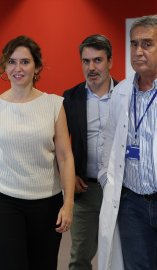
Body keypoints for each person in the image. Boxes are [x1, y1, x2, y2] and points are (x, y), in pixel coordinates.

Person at [0, 35, 75, 270]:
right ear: (4, 67)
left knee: (44, 265)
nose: (18, 68)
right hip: (3, 200)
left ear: (37, 66)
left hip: (47, 203)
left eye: (25, 62)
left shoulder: (54, 105)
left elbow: (65, 157)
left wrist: (68, 204)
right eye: (12, 61)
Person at [98, 15, 157, 270]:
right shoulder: (121, 92)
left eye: (147, 44)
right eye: (134, 44)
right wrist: (107, 181)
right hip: (131, 203)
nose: (139, 51)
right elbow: (109, 142)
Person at [62, 34, 118, 270]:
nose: (91, 68)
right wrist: (69, 175)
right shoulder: (70, 97)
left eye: (98, 60)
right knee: (80, 257)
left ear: (110, 62)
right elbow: (60, 144)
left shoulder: (125, 95)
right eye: (86, 61)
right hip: (84, 189)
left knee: (119, 253)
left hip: (121, 191)